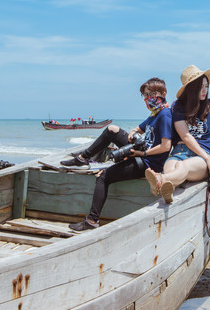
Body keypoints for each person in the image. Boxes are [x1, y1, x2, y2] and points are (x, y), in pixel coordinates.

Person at [62, 77, 173, 231]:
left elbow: (166, 146)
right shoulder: (154, 114)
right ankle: (83, 158)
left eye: (152, 94)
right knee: (111, 130)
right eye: (146, 95)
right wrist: (133, 132)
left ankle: (92, 220)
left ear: (163, 93)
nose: (148, 98)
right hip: (140, 152)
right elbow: (139, 128)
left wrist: (143, 153)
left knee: (103, 177)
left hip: (147, 163)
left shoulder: (165, 114)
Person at [145, 65, 210, 203]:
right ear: (192, 88)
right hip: (178, 152)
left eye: (207, 86)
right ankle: (167, 193)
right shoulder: (178, 106)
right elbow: (185, 136)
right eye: (201, 87)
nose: (205, 90)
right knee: (170, 169)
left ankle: (160, 180)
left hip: (200, 155)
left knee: (181, 167)